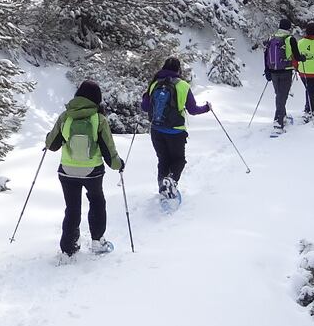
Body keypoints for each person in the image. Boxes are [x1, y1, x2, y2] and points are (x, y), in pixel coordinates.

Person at [43, 79, 124, 259]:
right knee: (97, 202)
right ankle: (97, 241)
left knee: (72, 208)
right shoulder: (99, 119)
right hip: (92, 172)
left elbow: (52, 145)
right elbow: (108, 150)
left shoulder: (65, 117)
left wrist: (48, 137)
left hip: (66, 171)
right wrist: (118, 164)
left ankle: (68, 247)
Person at [140, 55, 210, 202]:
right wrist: (207, 108)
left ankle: (162, 187)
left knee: (163, 160)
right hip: (175, 131)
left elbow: (145, 107)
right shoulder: (183, 85)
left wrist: (144, 97)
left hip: (156, 129)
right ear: (178, 70)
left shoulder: (154, 84)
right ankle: (171, 182)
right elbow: (193, 110)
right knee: (178, 160)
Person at [261, 18, 299, 130]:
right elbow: (297, 56)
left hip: (273, 71)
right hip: (286, 70)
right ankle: (278, 121)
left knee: (279, 94)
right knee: (283, 96)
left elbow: (266, 55)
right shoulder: (290, 39)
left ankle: (283, 116)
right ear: (288, 28)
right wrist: (302, 58)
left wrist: (267, 70)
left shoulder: (271, 38)